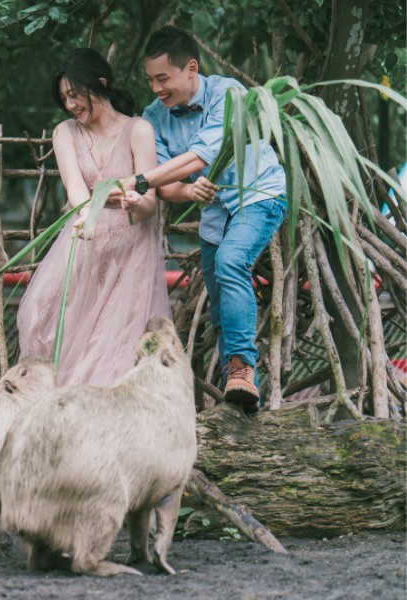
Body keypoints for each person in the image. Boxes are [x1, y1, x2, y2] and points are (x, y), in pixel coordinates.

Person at [113, 25, 288, 415]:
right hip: (215, 210)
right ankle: (240, 390)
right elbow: (166, 185)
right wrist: (186, 191)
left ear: (191, 68)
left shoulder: (228, 94)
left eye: (163, 78)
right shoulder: (154, 117)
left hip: (257, 195)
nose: (156, 87)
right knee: (220, 295)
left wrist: (139, 180)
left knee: (230, 263)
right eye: (150, 80)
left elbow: (195, 160)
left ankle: (243, 368)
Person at [16, 47, 171, 387]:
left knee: (110, 341)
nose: (70, 104)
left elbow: (150, 201)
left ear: (100, 83)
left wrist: (135, 201)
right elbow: (76, 191)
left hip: (131, 247)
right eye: (64, 98)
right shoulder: (65, 132)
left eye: (74, 94)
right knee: (39, 314)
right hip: (84, 236)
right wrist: (88, 216)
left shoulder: (139, 129)